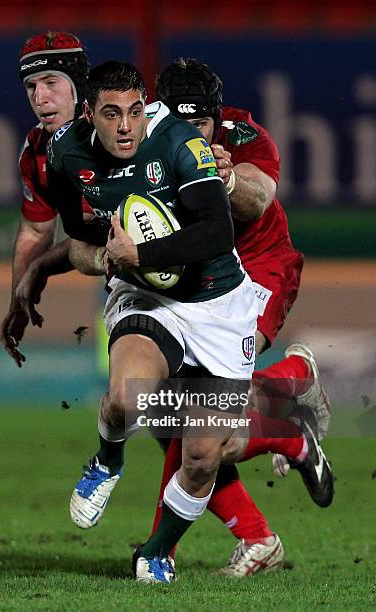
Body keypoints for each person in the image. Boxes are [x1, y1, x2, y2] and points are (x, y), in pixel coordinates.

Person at [1, 35, 288, 580]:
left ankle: (157, 548)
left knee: (202, 456)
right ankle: (107, 459)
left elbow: (216, 229)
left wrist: (140, 250)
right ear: (91, 114)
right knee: (129, 399)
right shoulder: (64, 156)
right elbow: (81, 235)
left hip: (219, 304)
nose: (126, 127)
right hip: (148, 298)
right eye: (112, 115)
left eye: (135, 111)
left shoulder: (180, 142)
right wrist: (43, 270)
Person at [137, 57, 333, 576]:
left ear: (217, 118)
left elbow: (258, 194)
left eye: (200, 123)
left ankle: (162, 553)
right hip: (199, 285)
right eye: (179, 123)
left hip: (258, 275)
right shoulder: (144, 138)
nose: (191, 135)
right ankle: (263, 521)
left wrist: (223, 179)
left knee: (198, 423)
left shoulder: (245, 138)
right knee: (168, 417)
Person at [0, 31, 89, 365]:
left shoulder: (124, 135)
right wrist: (18, 302)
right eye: (31, 86)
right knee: (125, 404)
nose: (40, 97)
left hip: (194, 275)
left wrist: (40, 269)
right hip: (131, 283)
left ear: (79, 85)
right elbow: (36, 232)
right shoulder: (35, 150)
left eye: (51, 82)